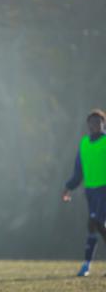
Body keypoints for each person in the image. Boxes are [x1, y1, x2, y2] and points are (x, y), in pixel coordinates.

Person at [62, 108, 106, 277]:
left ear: (103, 124)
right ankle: (86, 265)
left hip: (104, 189)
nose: (95, 125)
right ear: (88, 124)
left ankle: (86, 266)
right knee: (94, 225)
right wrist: (68, 187)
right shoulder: (84, 143)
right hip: (91, 191)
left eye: (99, 122)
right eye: (92, 122)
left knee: (94, 221)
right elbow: (78, 171)